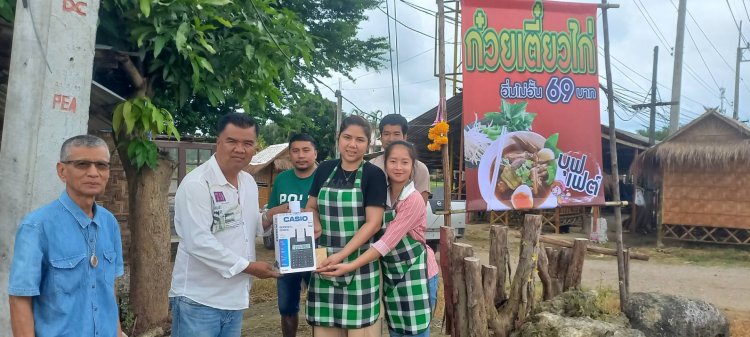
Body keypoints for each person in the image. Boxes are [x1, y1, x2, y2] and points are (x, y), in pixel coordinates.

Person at [169, 113, 279, 337]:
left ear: (254, 147)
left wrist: (271, 217)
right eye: (232, 141)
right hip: (199, 300)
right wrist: (249, 267)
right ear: (218, 143)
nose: (240, 149)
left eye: (247, 143)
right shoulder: (197, 184)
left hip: (235, 299)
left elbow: (250, 226)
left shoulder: (248, 182)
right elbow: (199, 242)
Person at [8, 135, 124, 337]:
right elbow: (20, 299)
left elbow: (109, 290)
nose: (93, 173)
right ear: (62, 171)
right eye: (82, 164)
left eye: (101, 165)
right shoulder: (36, 227)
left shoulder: (109, 223)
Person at [321, 141, 439, 337]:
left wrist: (349, 265)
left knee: (415, 331)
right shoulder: (381, 194)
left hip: (417, 274)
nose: (398, 167)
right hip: (392, 274)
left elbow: (387, 242)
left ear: (412, 168)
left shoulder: (413, 199)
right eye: (393, 161)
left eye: (405, 162)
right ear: (385, 164)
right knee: (397, 330)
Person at [305, 115, 387, 336]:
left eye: (360, 140)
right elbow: (311, 207)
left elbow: (373, 223)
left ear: (368, 143)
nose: (352, 145)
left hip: (359, 262)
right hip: (324, 261)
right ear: (338, 138)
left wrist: (342, 256)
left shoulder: (373, 174)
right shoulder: (323, 169)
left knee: (361, 329)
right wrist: (314, 221)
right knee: (325, 328)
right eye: (347, 137)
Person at [261, 134, 318, 337]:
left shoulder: (324, 179)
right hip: (286, 253)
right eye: (295, 151)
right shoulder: (282, 179)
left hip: (316, 252)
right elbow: (270, 212)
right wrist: (279, 210)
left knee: (319, 307)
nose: (300, 155)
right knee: (286, 307)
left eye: (306, 150)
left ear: (315, 153)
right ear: (290, 154)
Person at [370, 114, 431, 203]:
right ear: (381, 137)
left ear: (405, 137)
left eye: (396, 134)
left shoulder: (419, 168)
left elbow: (420, 206)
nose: (391, 139)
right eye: (386, 134)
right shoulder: (372, 165)